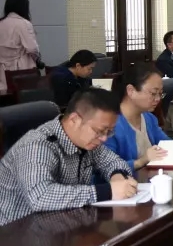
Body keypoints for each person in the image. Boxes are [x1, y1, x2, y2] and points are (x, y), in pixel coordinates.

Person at [0, 88, 138, 226]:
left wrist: (117, 176)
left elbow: (113, 162)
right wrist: (107, 191)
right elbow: (40, 197)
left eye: (109, 132)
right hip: (18, 231)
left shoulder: (88, 142)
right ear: (74, 120)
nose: (104, 138)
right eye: (100, 131)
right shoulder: (36, 145)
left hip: (63, 222)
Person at [105, 63, 173, 171]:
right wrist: (141, 161)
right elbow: (105, 169)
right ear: (131, 91)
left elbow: (166, 144)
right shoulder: (109, 124)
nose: (158, 99)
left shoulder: (148, 118)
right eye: (153, 93)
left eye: (160, 94)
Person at [0, 0, 42, 96]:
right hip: (22, 71)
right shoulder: (24, 23)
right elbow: (32, 49)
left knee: (6, 98)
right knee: (24, 99)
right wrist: (37, 59)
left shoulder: (1, 23)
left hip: (2, 71)